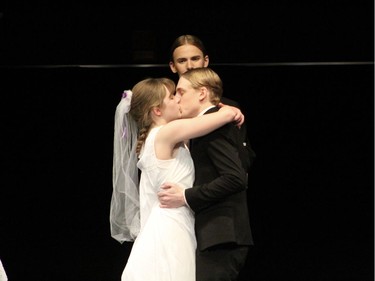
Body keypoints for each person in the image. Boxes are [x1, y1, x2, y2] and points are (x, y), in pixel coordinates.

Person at [109, 76, 245, 281]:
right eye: (172, 97)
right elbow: (213, 119)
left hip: (169, 219)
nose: (177, 100)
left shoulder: (155, 136)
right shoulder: (167, 132)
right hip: (171, 223)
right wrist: (229, 111)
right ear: (157, 110)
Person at [158, 67, 253, 281]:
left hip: (221, 233)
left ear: (202, 93)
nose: (177, 99)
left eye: (181, 92)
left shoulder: (214, 125)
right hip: (216, 233)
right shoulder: (213, 123)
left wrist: (185, 196)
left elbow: (235, 178)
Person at [168, 34, 256, 170]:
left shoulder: (228, 107)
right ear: (173, 66)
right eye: (182, 61)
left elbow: (244, 157)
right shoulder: (166, 108)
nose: (190, 66)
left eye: (195, 59)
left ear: (206, 60)